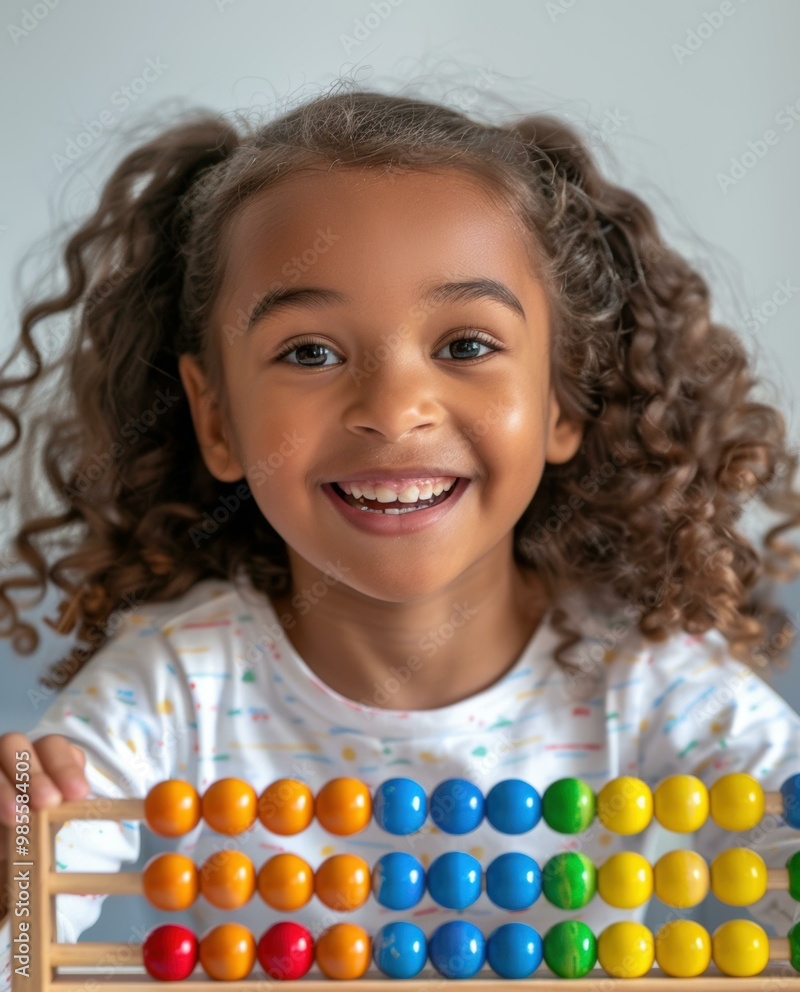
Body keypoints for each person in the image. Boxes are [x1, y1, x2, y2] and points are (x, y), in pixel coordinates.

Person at [2, 82, 800, 983]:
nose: (392, 411)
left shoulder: (640, 669)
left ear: (562, 399)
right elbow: (44, 869)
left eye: (465, 345)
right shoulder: (178, 682)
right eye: (311, 352)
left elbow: (785, 847)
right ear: (216, 417)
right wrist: (13, 860)